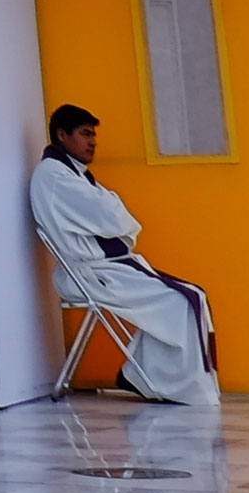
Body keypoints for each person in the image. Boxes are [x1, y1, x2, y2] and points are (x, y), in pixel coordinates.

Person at [30, 104, 215, 403]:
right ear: (62, 135)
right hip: (92, 273)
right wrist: (114, 212)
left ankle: (151, 377)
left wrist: (113, 213)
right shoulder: (55, 176)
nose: (93, 142)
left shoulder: (73, 173)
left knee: (194, 296)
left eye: (94, 136)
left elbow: (116, 217)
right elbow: (114, 216)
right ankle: (168, 384)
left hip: (107, 266)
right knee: (183, 300)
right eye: (85, 134)